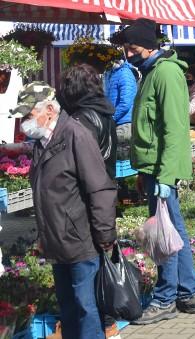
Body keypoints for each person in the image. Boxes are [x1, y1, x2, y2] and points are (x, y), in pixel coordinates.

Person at [10, 81, 117, 339]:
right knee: (68, 308)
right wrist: (43, 237)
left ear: (49, 108)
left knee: (86, 308)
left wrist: (104, 235)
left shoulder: (76, 135)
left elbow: (100, 188)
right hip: (58, 241)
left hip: (81, 241)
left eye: (28, 114)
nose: (24, 121)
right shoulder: (41, 142)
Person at [122, 17, 195, 325]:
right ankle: (188, 293)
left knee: (164, 235)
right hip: (154, 168)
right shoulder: (152, 71)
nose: (128, 54)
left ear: (150, 46)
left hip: (162, 168)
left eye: (132, 48)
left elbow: (174, 129)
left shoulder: (165, 72)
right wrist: (146, 174)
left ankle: (164, 299)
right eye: (126, 49)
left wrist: (166, 178)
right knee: (174, 230)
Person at [55, 64, 120, 339]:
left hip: (85, 201)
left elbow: (83, 169)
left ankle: (103, 327)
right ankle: (109, 326)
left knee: (86, 286)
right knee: (96, 275)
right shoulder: (105, 112)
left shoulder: (81, 120)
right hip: (102, 196)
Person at [56, 63, 118, 179]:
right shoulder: (103, 109)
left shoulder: (82, 117)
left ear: (73, 89)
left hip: (91, 183)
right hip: (104, 179)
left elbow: (83, 158)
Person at [104, 57, 137, 160]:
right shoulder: (111, 73)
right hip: (116, 122)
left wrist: (111, 117)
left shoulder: (125, 73)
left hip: (123, 123)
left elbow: (125, 103)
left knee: (122, 159)